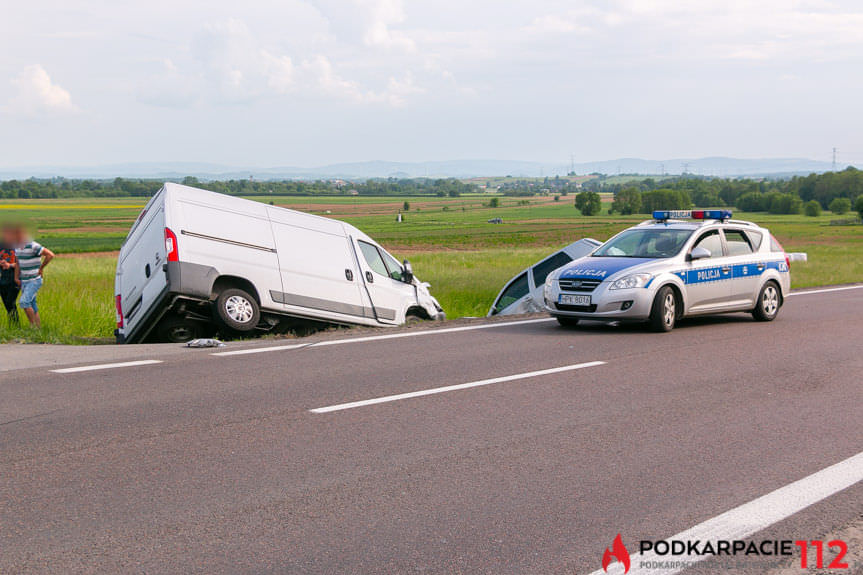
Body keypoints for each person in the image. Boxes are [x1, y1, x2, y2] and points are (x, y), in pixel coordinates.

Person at [13, 227, 55, 328]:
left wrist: (41, 268)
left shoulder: (33, 245)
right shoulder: (17, 246)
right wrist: (16, 277)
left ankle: (33, 328)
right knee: (32, 305)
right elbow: (18, 263)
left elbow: (50, 255)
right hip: (24, 281)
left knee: (24, 302)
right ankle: (39, 330)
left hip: (34, 280)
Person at [0, 226, 19, 323]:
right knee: (6, 304)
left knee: (10, 302)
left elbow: (22, 263)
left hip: (15, 278)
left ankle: (16, 325)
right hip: (2, 278)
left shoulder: (18, 246)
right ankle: (13, 326)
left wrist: (10, 265)